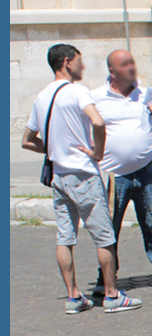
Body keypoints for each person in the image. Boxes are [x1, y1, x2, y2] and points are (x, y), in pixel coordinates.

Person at [21, 44, 142, 315]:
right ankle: (111, 295)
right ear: (67, 62)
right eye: (79, 61)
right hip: (83, 175)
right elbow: (98, 122)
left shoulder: (41, 97)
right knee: (104, 236)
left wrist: (53, 148)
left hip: (59, 177)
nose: (82, 66)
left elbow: (27, 141)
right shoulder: (77, 92)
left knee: (65, 237)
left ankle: (74, 297)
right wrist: (97, 152)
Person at [91, 50, 152, 287]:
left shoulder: (149, 94)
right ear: (112, 72)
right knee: (110, 231)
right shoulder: (96, 98)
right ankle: (107, 278)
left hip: (146, 173)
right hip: (114, 177)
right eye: (125, 64)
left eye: (132, 62)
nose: (132, 68)